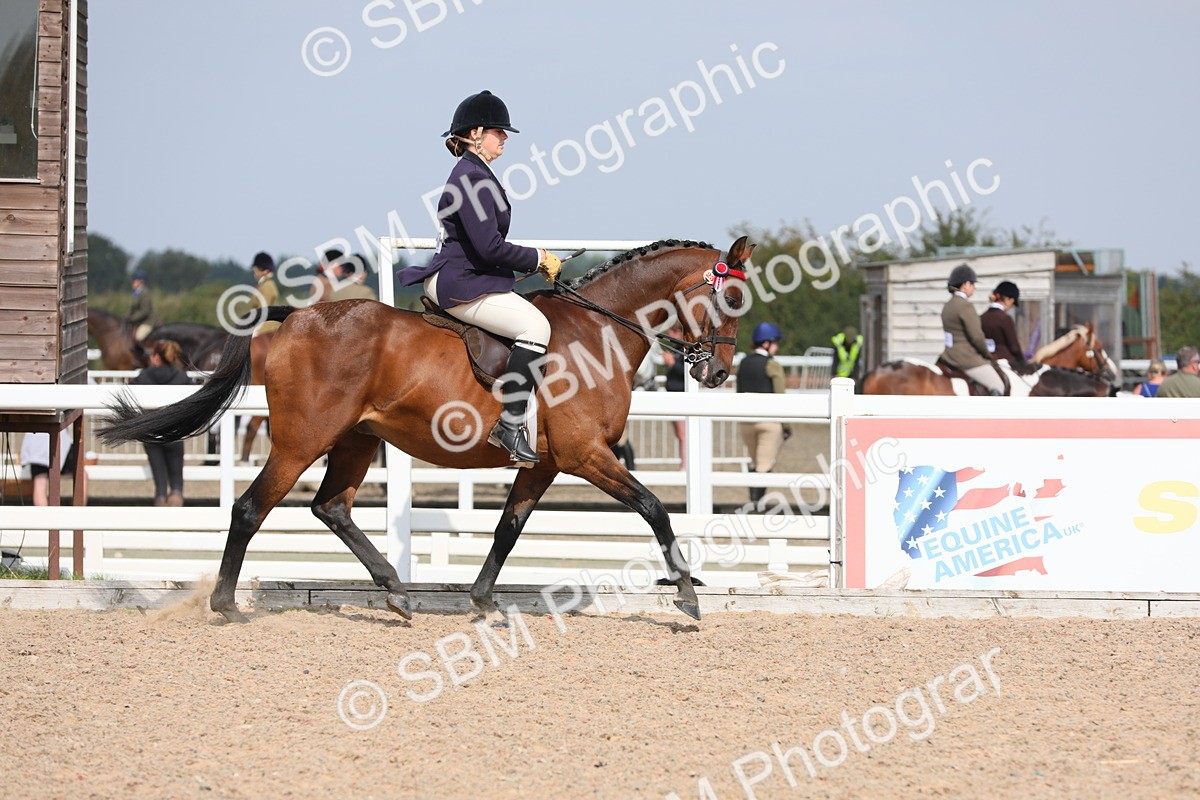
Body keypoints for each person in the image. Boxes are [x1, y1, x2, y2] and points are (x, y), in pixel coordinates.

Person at [398, 90, 562, 467]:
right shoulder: (472, 178)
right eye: (498, 131)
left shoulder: (476, 174)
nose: (504, 137)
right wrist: (537, 258)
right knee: (536, 326)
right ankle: (511, 424)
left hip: (468, 275)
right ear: (475, 133)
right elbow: (489, 247)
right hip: (459, 281)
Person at [133, 340, 192, 505]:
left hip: (150, 429)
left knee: (159, 479)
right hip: (174, 429)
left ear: (157, 357)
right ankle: (176, 496)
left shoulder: (144, 376)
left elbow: (131, 395)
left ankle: (160, 499)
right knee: (176, 476)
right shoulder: (181, 376)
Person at [737, 322, 789, 505]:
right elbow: (780, 395)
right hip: (769, 422)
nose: (777, 347)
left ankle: (752, 500)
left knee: (753, 462)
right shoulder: (772, 365)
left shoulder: (743, 363)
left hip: (746, 422)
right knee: (764, 465)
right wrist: (787, 426)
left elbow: (739, 391)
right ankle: (757, 504)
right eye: (775, 343)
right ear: (766, 343)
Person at [939, 264, 1005, 395]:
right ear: (965, 285)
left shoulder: (947, 305)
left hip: (947, 355)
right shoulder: (965, 306)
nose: (974, 288)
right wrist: (986, 354)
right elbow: (977, 337)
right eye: (973, 284)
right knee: (998, 385)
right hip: (965, 358)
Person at [19, 428, 77, 506]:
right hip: (42, 442)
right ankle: (45, 517)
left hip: (46, 442)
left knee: (40, 481)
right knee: (40, 481)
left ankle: (44, 517)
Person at [980, 281, 1025, 365]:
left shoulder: (981, 317)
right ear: (1008, 300)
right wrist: (1023, 363)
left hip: (984, 361)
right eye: (1012, 303)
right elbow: (1014, 348)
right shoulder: (1005, 319)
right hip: (1004, 363)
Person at [662, 325, 688, 468]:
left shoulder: (686, 349)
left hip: (680, 394)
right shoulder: (676, 348)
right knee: (680, 434)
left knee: (683, 434)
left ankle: (685, 464)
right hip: (673, 393)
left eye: (673, 330)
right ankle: (684, 463)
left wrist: (672, 364)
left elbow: (687, 373)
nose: (670, 333)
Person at [251, 252, 282, 334]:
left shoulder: (267, 286)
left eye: (256, 268)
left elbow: (263, 310)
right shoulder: (264, 285)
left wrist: (256, 330)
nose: (254, 271)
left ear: (263, 270)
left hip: (266, 329)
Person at [128, 269, 157, 343]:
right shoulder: (136, 293)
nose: (132, 282)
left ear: (141, 282)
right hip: (138, 321)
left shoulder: (144, 293)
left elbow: (145, 311)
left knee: (138, 337)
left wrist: (131, 318)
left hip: (147, 322)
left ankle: (146, 354)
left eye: (134, 280)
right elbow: (133, 309)